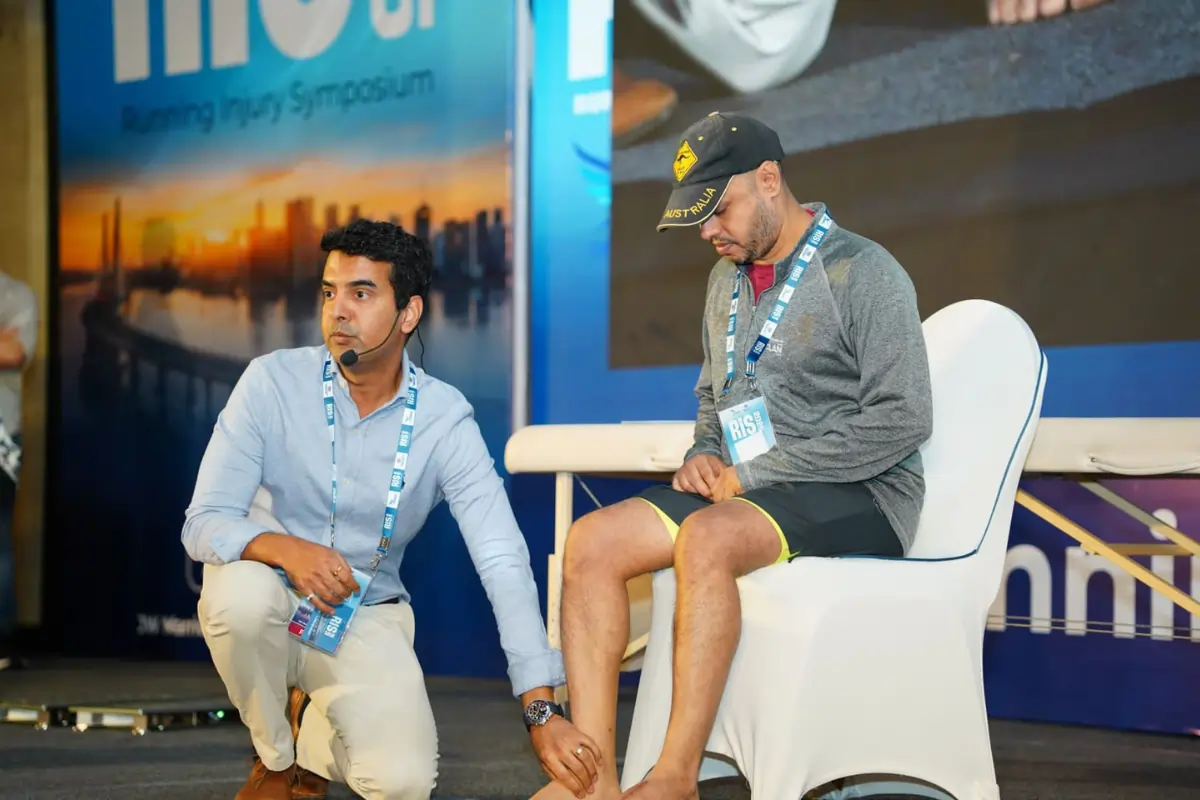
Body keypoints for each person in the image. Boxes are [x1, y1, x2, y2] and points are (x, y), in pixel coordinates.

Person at [535, 112, 933, 800]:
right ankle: (593, 786)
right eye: (697, 218)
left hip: (863, 492)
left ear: (770, 179)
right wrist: (703, 451)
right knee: (591, 542)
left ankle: (674, 779)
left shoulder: (864, 272)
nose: (708, 232)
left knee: (707, 538)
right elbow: (714, 396)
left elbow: (904, 418)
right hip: (748, 488)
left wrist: (753, 473)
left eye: (718, 210)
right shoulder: (726, 279)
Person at [183, 220, 600, 800]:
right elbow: (204, 521)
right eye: (329, 292)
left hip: (363, 611)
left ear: (409, 313)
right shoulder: (272, 383)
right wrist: (285, 550)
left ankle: (310, 733)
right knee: (239, 602)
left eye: (361, 293)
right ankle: (276, 759)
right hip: (272, 592)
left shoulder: (443, 419)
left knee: (402, 782)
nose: (337, 311)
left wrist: (539, 708)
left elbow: (501, 558)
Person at [0, 270, 37, 671]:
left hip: (2, 438)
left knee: (0, 538)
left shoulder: (15, 294)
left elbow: (14, 353)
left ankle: (2, 642)